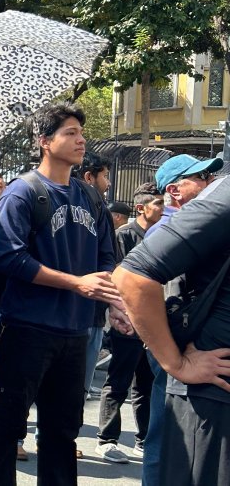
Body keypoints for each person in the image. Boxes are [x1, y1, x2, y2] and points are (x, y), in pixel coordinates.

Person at [0, 103, 119, 486]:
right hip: (28, 329)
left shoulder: (90, 196)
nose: (80, 140)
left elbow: (107, 256)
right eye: (70, 133)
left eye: (81, 132)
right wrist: (76, 283)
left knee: (62, 433)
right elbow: (10, 258)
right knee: (8, 428)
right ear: (44, 142)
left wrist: (113, 298)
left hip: (76, 332)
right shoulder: (22, 194)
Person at [113, 173, 230, 486]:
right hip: (213, 401)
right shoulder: (225, 197)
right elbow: (133, 277)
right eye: (200, 176)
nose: (206, 180)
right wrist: (174, 363)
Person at [95, 183, 162, 463]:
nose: (163, 207)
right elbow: (119, 278)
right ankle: (106, 439)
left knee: (145, 384)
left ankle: (142, 439)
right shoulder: (124, 235)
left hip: (154, 325)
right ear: (141, 208)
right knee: (118, 381)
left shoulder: (162, 237)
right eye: (157, 203)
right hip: (128, 321)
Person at [74, 151, 115, 400]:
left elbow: (108, 258)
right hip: (62, 318)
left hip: (93, 314)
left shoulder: (101, 211)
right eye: (106, 176)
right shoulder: (35, 196)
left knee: (76, 395)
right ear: (90, 177)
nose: (108, 183)